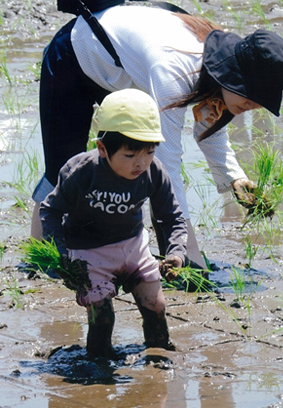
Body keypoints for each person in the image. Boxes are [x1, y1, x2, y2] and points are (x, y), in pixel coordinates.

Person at [32, 4, 283, 268]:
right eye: (253, 96)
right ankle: (41, 257)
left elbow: (209, 128)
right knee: (63, 167)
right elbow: (166, 164)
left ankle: (97, 248)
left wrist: (234, 178)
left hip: (120, 73)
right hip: (74, 54)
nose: (257, 105)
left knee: (120, 165)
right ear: (233, 76)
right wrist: (186, 252)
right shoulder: (175, 69)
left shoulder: (216, 66)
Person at [40, 89, 188, 358]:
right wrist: (61, 256)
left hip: (134, 248)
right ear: (102, 148)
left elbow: (172, 216)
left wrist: (176, 253)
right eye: (130, 155)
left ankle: (158, 357)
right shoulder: (81, 172)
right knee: (103, 316)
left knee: (155, 305)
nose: (140, 163)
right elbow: (50, 212)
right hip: (89, 254)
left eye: (149, 152)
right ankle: (98, 364)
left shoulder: (153, 172)